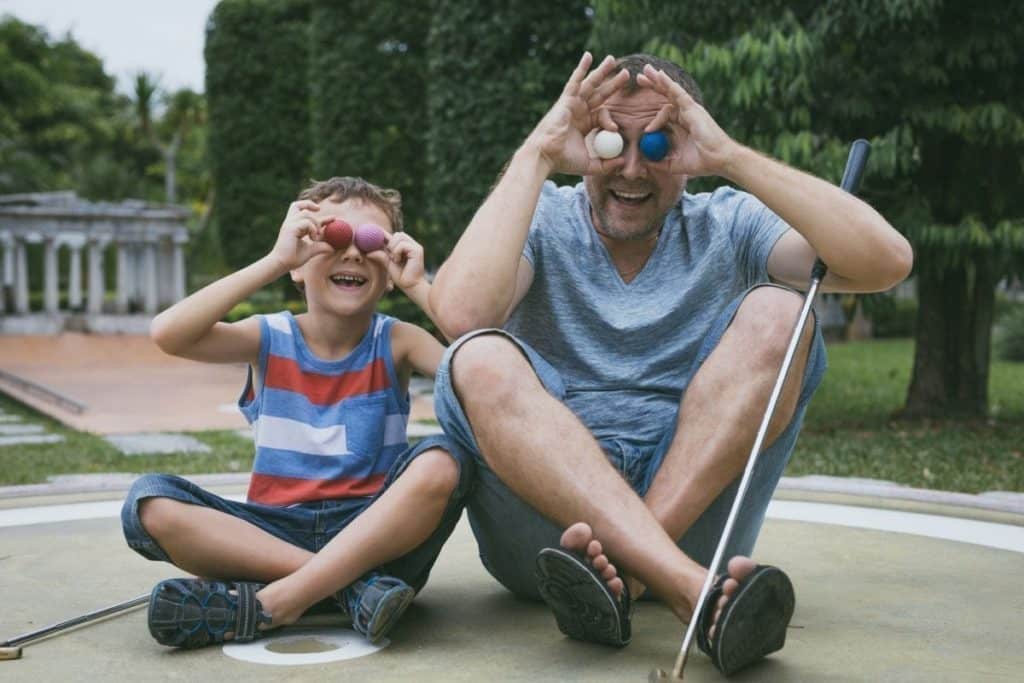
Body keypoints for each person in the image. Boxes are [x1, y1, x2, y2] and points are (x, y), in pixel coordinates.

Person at [427, 52, 912, 676]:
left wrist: (731, 157)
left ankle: (630, 575)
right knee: (479, 358)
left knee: (782, 315)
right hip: (546, 545)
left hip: (692, 525)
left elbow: (885, 263)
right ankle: (688, 588)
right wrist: (537, 153)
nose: (631, 167)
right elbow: (462, 314)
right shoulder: (539, 215)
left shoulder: (729, 223)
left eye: (656, 143)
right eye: (610, 141)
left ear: (686, 146)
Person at [121, 176, 471, 648]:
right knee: (149, 501)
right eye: (335, 237)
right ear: (299, 265)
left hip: (376, 535)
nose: (352, 253)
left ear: (387, 272)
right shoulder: (267, 337)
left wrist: (420, 288)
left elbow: (478, 376)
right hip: (275, 534)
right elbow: (169, 333)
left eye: (371, 243)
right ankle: (345, 590)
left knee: (444, 459)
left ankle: (276, 600)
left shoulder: (398, 341)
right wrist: (273, 260)